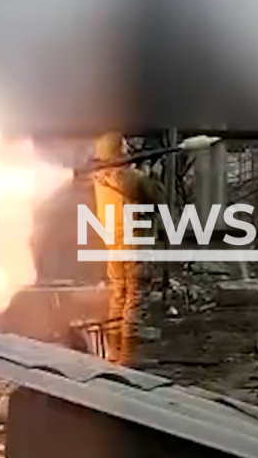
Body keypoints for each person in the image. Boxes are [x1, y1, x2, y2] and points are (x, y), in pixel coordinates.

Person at [92, 132, 159, 365]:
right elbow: (154, 195)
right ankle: (128, 359)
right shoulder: (128, 178)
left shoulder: (99, 176)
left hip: (113, 242)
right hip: (132, 243)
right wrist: (148, 172)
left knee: (118, 295)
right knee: (134, 298)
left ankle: (113, 353)